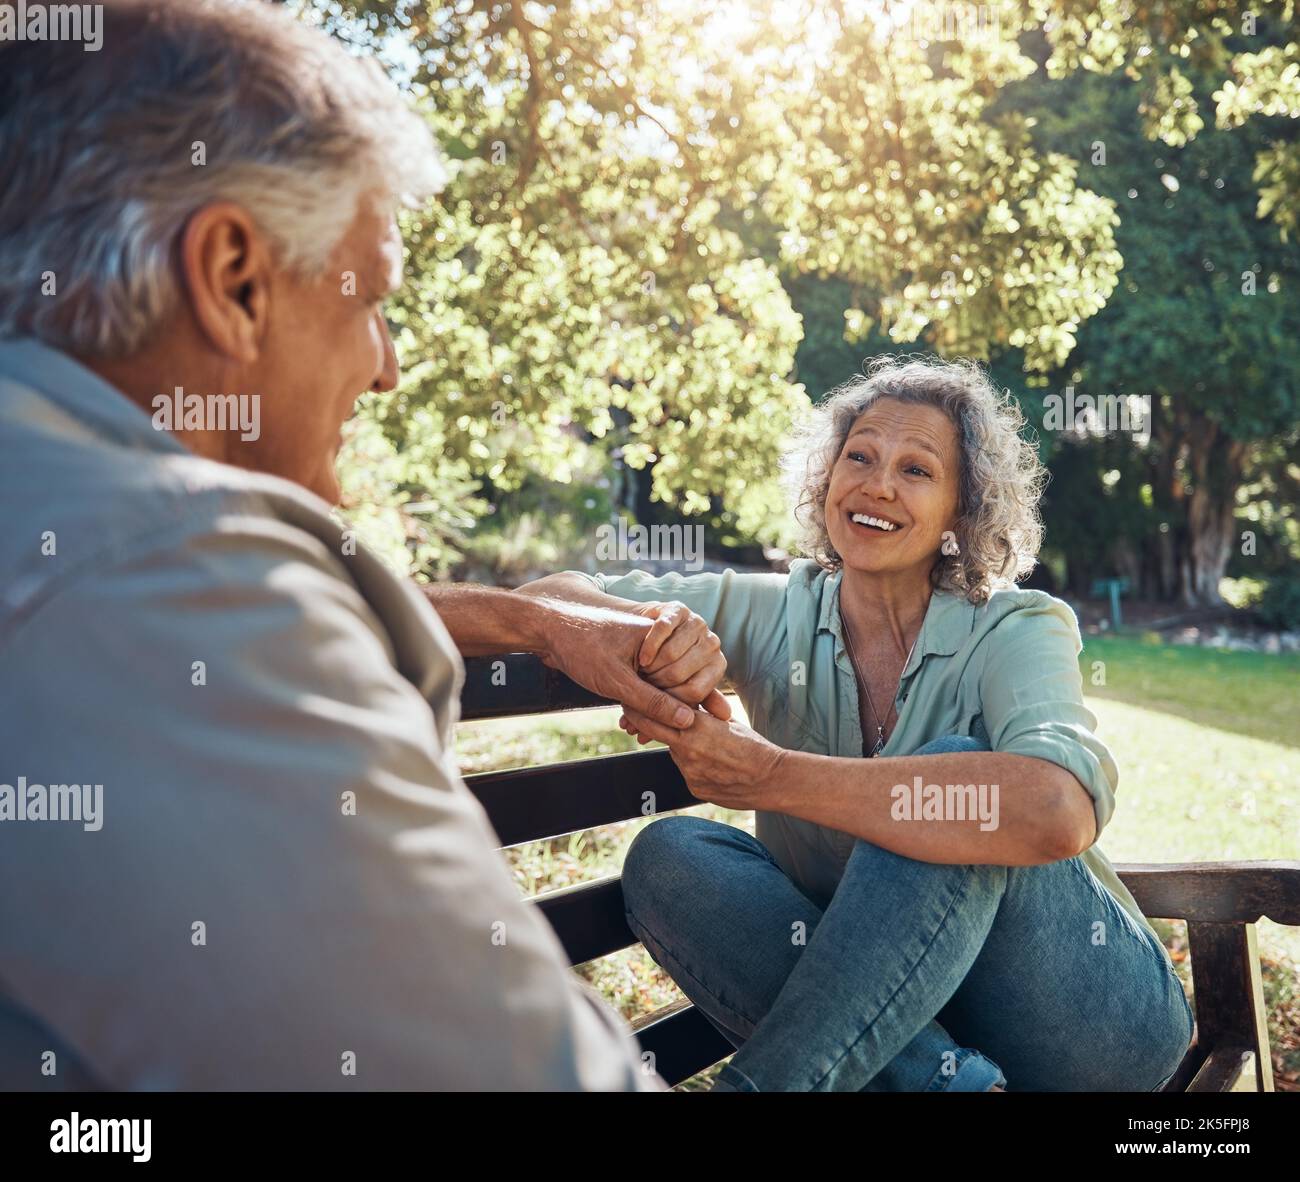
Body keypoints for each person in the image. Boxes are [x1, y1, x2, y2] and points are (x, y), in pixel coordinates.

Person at [0, 0, 731, 1090]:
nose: (385, 366)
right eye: (368, 297)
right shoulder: (174, 583)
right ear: (234, 278)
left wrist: (526, 617)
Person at [521, 355, 1196, 1091]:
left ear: (961, 513)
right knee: (671, 852)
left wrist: (773, 778)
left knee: (952, 784)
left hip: (1087, 1032)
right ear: (828, 478)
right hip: (897, 1031)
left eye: (916, 470)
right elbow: (554, 596)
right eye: (860, 456)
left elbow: (1057, 809)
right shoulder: (774, 612)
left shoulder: (1016, 627)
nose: (877, 484)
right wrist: (623, 634)